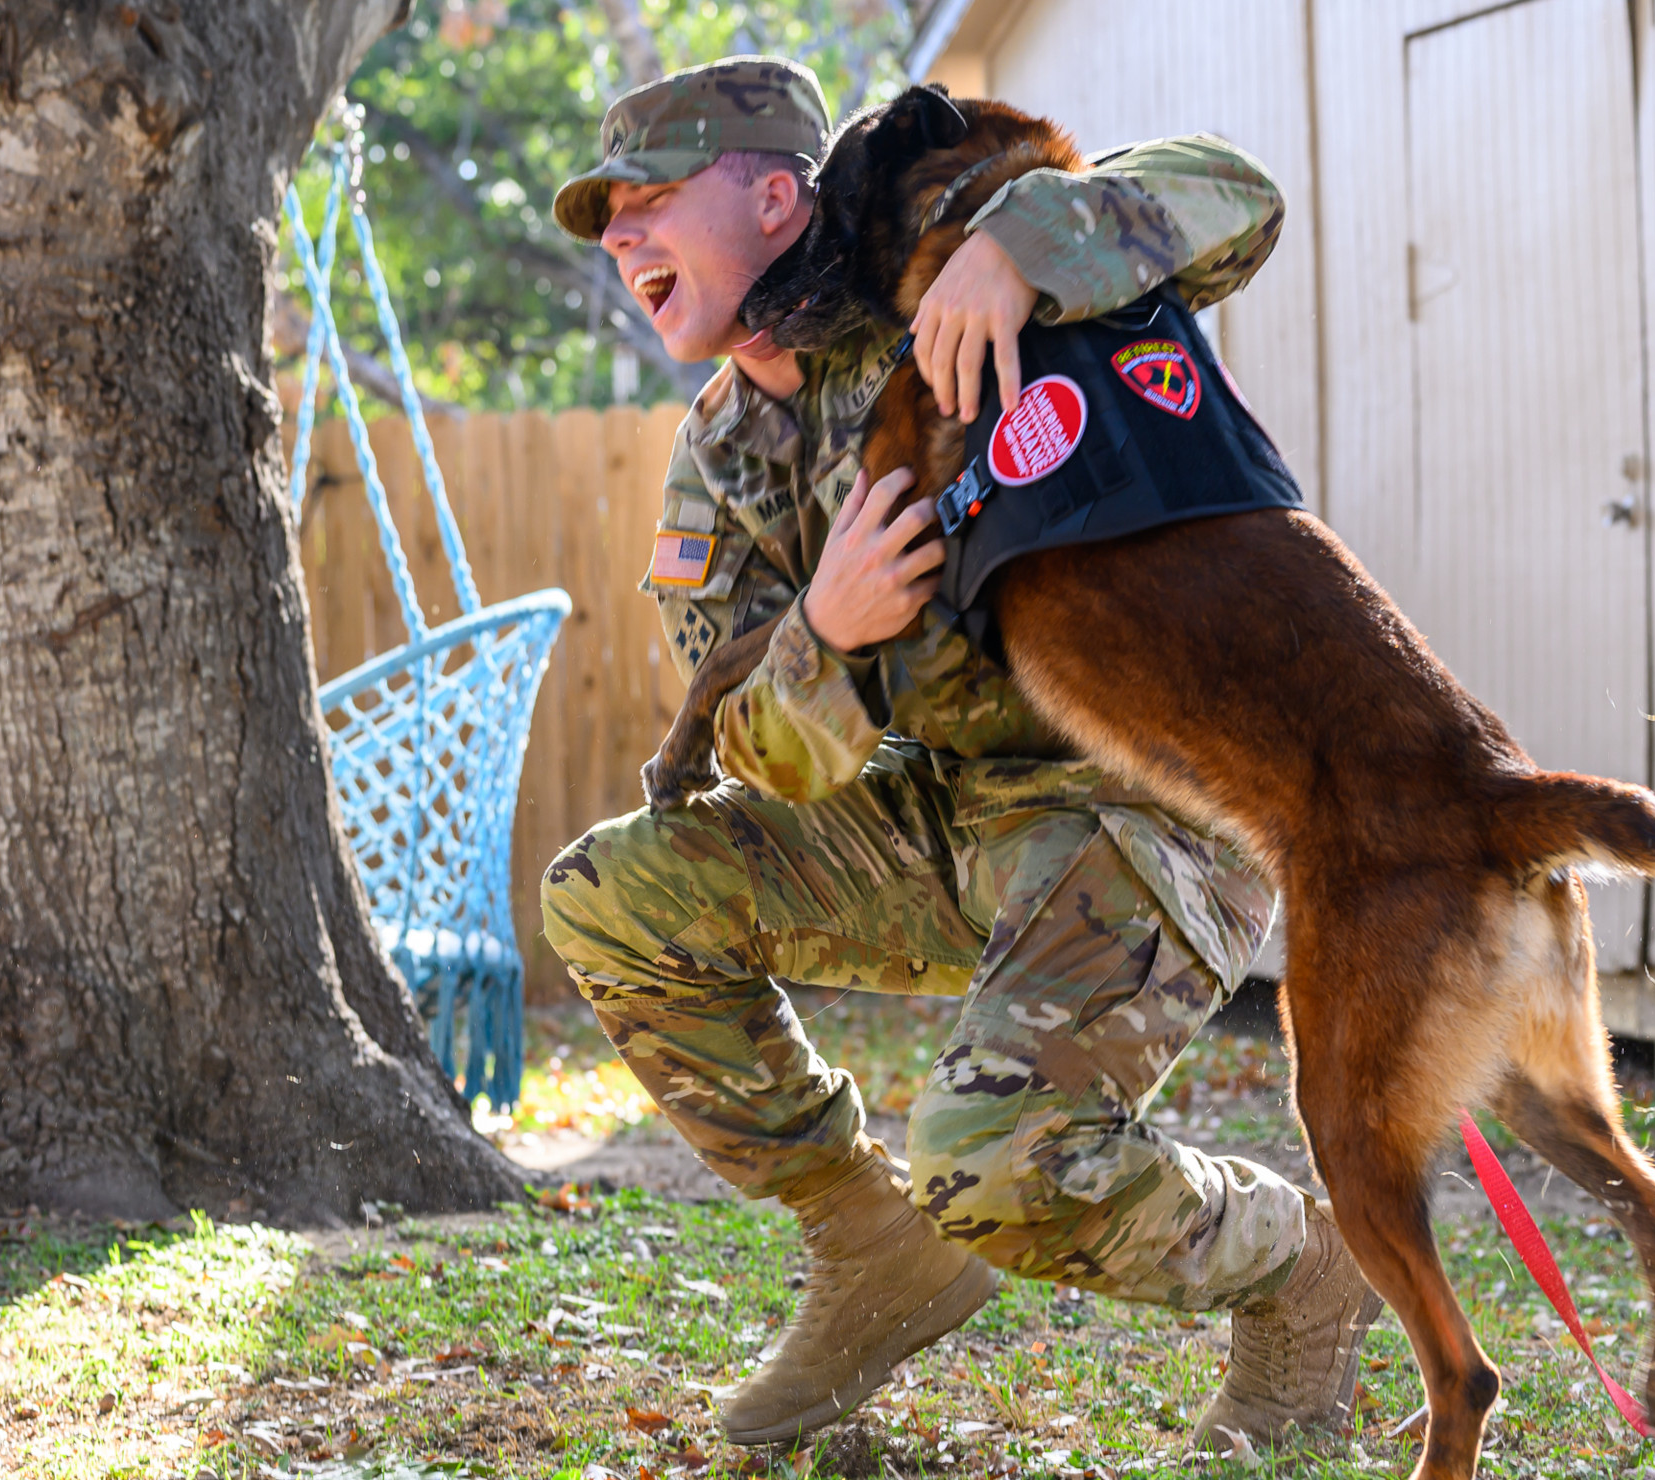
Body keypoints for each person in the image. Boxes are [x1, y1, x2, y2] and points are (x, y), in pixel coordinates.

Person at [540, 56, 1377, 1456]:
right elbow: (761, 754)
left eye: (650, 201)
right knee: (607, 894)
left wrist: (1019, 246)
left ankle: (1307, 1268)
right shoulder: (720, 454)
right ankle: (870, 1241)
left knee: (994, 1167)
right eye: (607, 218)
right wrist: (829, 631)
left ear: (770, 193)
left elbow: (1239, 197)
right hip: (938, 815)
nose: (622, 237)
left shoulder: (942, 272)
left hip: (1140, 806)